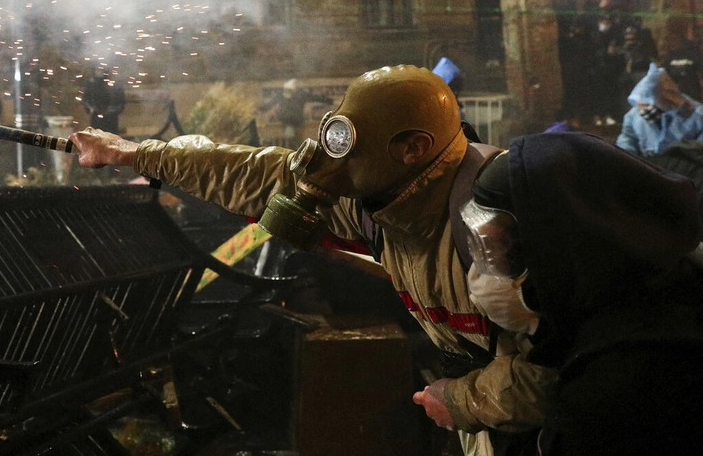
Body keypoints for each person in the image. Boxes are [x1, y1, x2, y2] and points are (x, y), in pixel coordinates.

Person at [70, 64, 556, 456]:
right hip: (490, 424)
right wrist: (133, 153)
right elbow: (253, 174)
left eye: (352, 148)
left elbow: (558, 371)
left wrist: (458, 399)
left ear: (414, 148)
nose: (330, 164)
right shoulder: (385, 200)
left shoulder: (494, 226)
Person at [449, 131, 703, 454]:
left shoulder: (609, 389)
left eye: (500, 250)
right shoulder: (669, 278)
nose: (482, 276)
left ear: (561, 243)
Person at [616, 61, 703, 155]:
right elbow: (626, 141)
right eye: (639, 105)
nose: (641, 110)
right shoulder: (633, 117)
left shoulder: (697, 114)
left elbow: (698, 149)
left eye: (646, 104)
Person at [81, 69, 126, 134]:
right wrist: (91, 109)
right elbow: (86, 100)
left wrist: (111, 111)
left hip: (111, 120)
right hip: (97, 119)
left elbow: (121, 103)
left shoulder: (116, 86)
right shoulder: (92, 85)